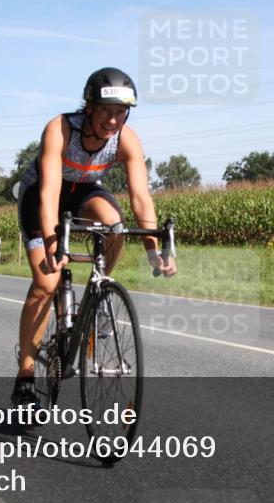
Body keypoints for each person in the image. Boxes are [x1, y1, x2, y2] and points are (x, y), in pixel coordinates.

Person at [12, 67, 177, 407]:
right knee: (47, 282)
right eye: (106, 111)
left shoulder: (127, 139)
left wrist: (153, 251)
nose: (113, 120)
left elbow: (141, 198)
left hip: (85, 192)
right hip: (44, 195)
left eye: (121, 112)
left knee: (115, 225)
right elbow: (49, 194)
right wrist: (54, 245)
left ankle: (97, 292)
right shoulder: (60, 129)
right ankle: (26, 375)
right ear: (89, 107)